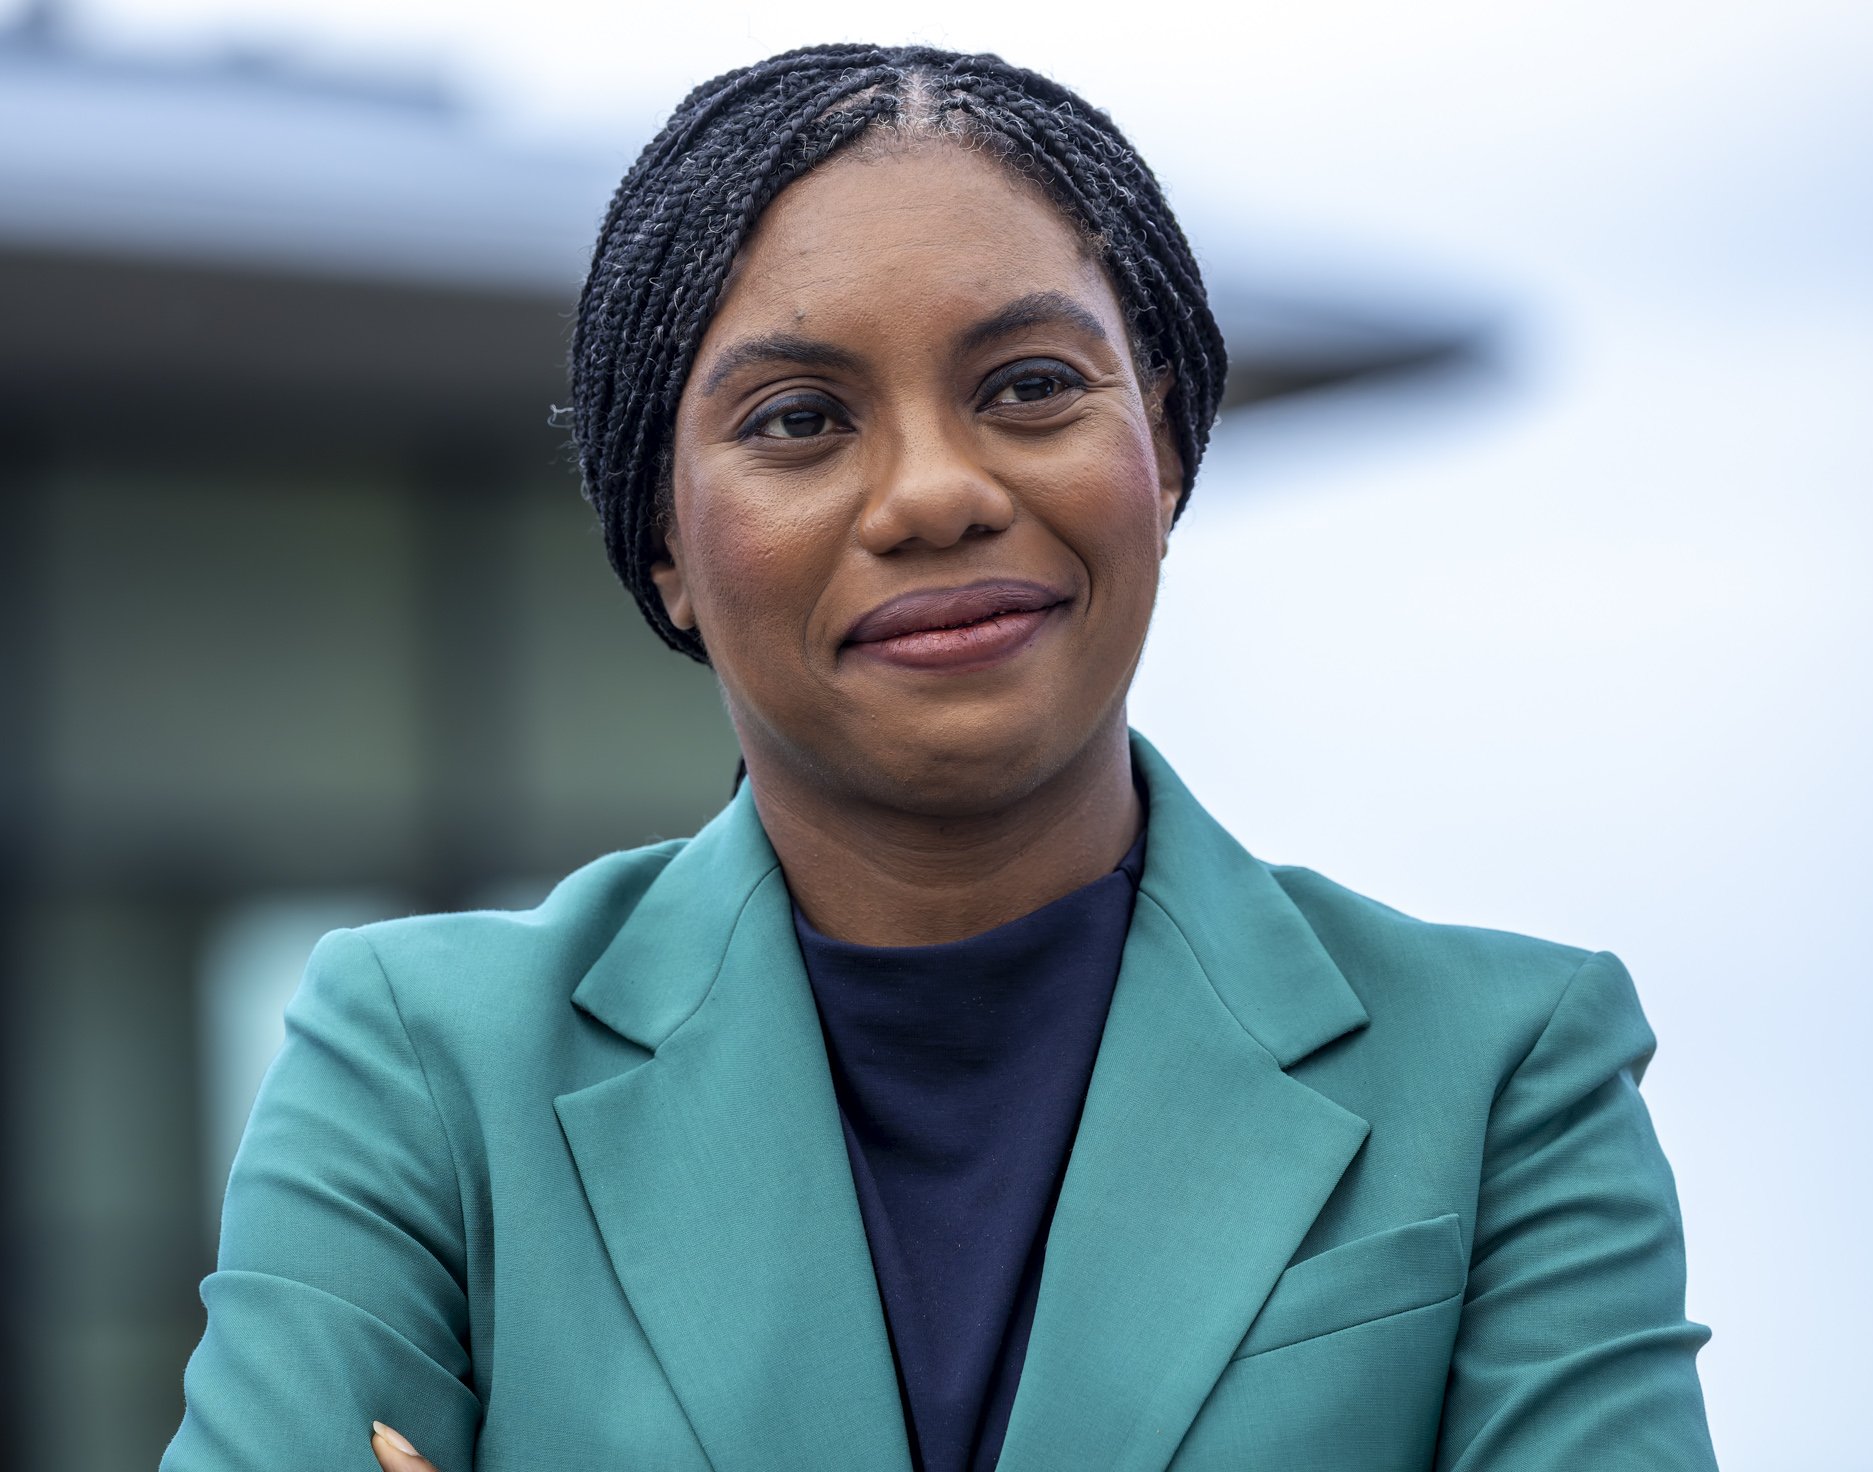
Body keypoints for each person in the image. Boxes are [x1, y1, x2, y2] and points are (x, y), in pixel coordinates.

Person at [162, 43, 1718, 1472]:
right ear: (664, 548)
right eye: (797, 419)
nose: (934, 493)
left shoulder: (1506, 1068)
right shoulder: (428, 1068)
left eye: (1031, 387)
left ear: (1161, 449)